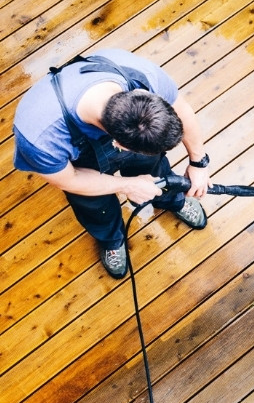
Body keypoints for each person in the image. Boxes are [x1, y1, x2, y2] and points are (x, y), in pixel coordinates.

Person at [12, 49, 211, 279]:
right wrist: (126, 186)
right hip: (78, 166)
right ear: (119, 144)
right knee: (94, 204)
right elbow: (69, 180)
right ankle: (112, 238)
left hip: (124, 141)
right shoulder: (40, 136)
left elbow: (182, 109)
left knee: (155, 168)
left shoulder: (141, 76)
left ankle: (171, 199)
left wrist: (199, 162)